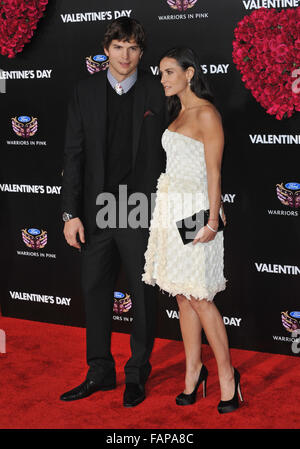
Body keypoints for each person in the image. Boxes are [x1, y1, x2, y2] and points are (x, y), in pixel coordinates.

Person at [60, 17, 166, 407]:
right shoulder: (84, 91)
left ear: (141, 53)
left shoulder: (157, 93)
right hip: (96, 211)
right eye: (118, 46)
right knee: (95, 290)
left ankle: (137, 373)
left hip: (139, 209)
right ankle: (100, 371)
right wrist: (70, 213)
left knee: (142, 293)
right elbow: (73, 155)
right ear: (106, 50)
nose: (125, 55)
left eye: (133, 48)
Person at [142, 47, 244, 414]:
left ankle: (229, 378)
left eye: (169, 72)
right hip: (172, 213)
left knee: (200, 296)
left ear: (189, 73)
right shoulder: (178, 112)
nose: (164, 79)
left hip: (198, 215)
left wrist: (213, 221)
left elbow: (214, 173)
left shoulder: (206, 114)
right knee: (182, 296)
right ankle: (194, 372)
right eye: (161, 73)